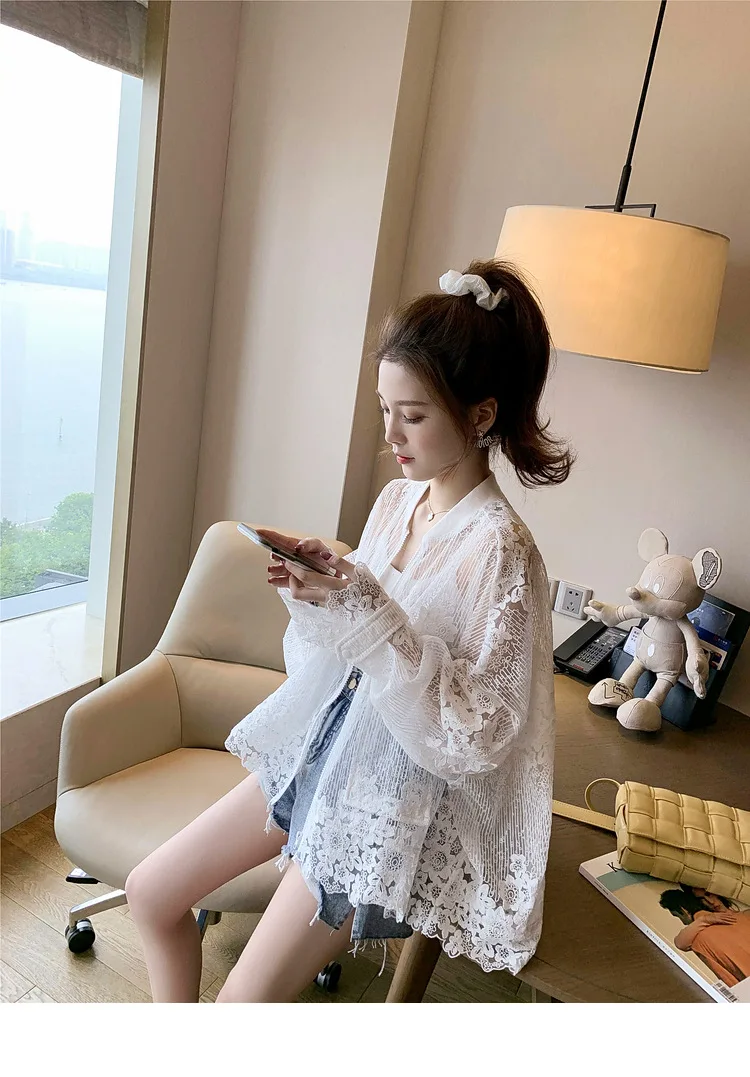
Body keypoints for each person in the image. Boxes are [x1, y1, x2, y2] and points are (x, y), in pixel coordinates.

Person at [125, 260, 572, 1002]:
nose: (390, 433)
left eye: (413, 415)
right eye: (385, 408)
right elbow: (346, 656)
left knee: (240, 1006)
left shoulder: (503, 551)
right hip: (321, 746)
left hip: (386, 802)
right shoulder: (397, 502)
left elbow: (477, 735)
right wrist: (318, 597)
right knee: (149, 893)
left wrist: (366, 612)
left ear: (481, 415)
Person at [659, 886, 750, 987]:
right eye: (703, 899)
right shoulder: (742, 917)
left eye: (677, 916)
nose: (710, 901)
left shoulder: (696, 939)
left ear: (683, 910)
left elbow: (680, 944)